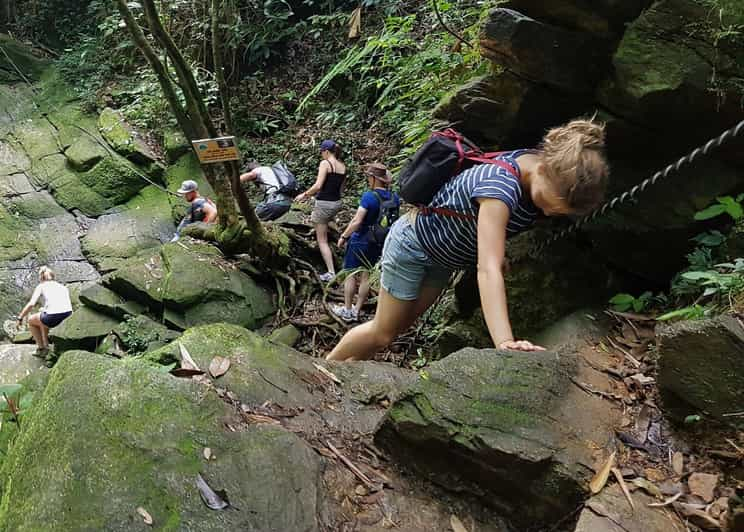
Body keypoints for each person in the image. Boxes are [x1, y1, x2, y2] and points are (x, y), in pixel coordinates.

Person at [327, 118, 610, 362]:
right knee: (383, 330)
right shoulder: (500, 187)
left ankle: (350, 371)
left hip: (442, 261)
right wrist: (505, 342)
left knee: (394, 330)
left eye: (556, 213)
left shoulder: (534, 162)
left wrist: (498, 252)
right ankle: (326, 369)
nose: (547, 212)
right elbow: (487, 269)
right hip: (412, 248)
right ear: (544, 170)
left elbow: (489, 235)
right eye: (546, 203)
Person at [333, 163, 400, 322]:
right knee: (366, 276)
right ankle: (357, 310)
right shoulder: (394, 197)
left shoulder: (369, 197)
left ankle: (348, 310)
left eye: (369, 177)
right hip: (379, 242)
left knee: (350, 274)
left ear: (375, 179)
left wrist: (344, 236)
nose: (368, 180)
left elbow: (357, 221)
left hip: (360, 240)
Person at [295, 139, 346, 282]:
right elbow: (341, 189)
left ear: (327, 151)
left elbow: (318, 186)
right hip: (337, 203)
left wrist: (304, 195)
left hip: (324, 204)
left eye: (322, 152)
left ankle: (331, 272)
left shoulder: (325, 163)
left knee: (321, 240)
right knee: (323, 223)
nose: (321, 155)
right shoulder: (343, 166)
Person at [17, 266, 73, 364]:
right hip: (68, 316)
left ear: (41, 278)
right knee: (42, 316)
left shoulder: (41, 286)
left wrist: (20, 317)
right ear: (53, 276)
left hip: (53, 318)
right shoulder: (62, 287)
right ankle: (46, 344)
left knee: (31, 320)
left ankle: (41, 348)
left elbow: (31, 303)